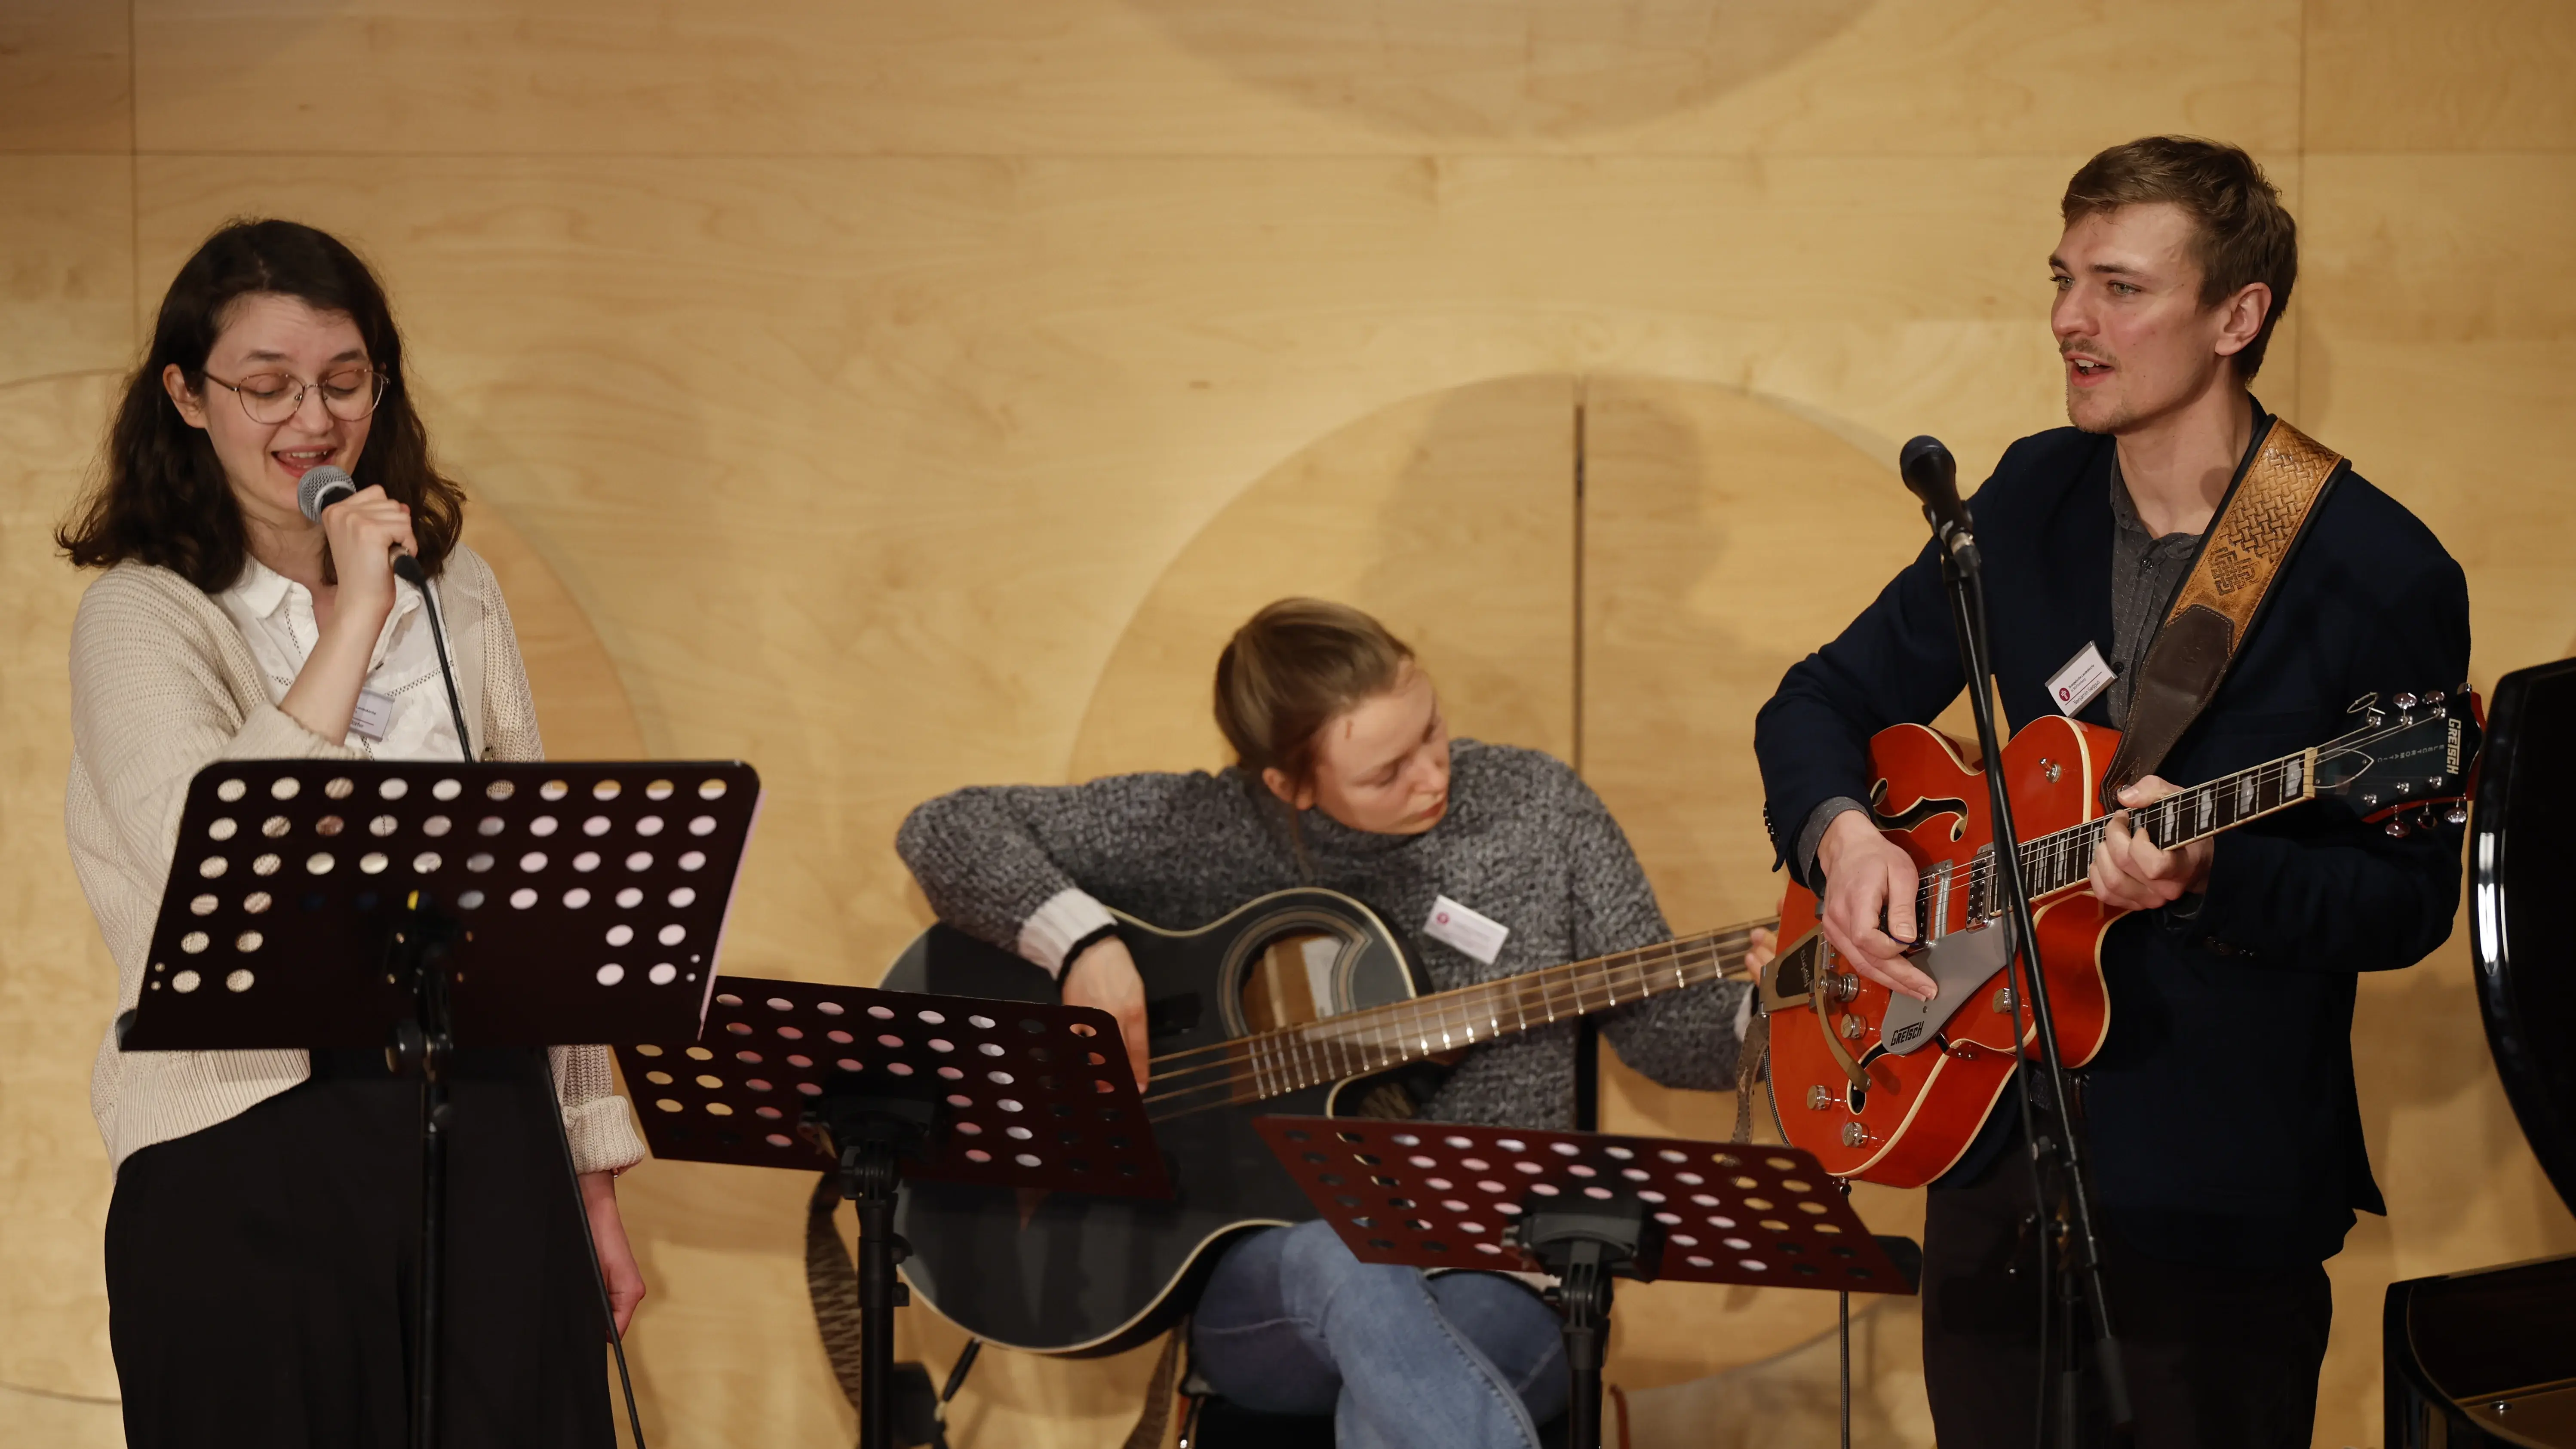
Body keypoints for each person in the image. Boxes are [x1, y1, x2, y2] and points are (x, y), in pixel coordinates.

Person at [1753, 137, 2470, 1446]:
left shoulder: (2372, 566)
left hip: (2212, 1192)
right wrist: (1844, 837)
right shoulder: (2029, 492)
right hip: (1979, 1148)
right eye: (2062, 278)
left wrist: (2212, 874)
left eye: (2120, 288)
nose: (2068, 321)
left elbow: (2406, 903)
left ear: (2234, 318)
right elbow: (1815, 700)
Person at [897, 597, 1751, 1448]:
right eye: (1385, 772)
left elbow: (1659, 1027)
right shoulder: (1213, 827)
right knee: (1341, 1258)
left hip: (1497, 1270)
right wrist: (1081, 944)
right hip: (1278, 1282)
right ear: (1289, 787)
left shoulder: (1538, 809)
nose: (1432, 774)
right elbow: (945, 827)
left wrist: (1764, 1011)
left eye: (1431, 729)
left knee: (1389, 1395)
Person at [58, 219, 647, 1447]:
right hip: (245, 1136)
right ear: (186, 395)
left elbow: (535, 886)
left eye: (343, 383)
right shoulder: (143, 616)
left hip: (483, 1117)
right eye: (266, 387)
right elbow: (200, 861)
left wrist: (588, 1173)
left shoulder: (461, 590)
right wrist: (352, 616)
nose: (312, 423)